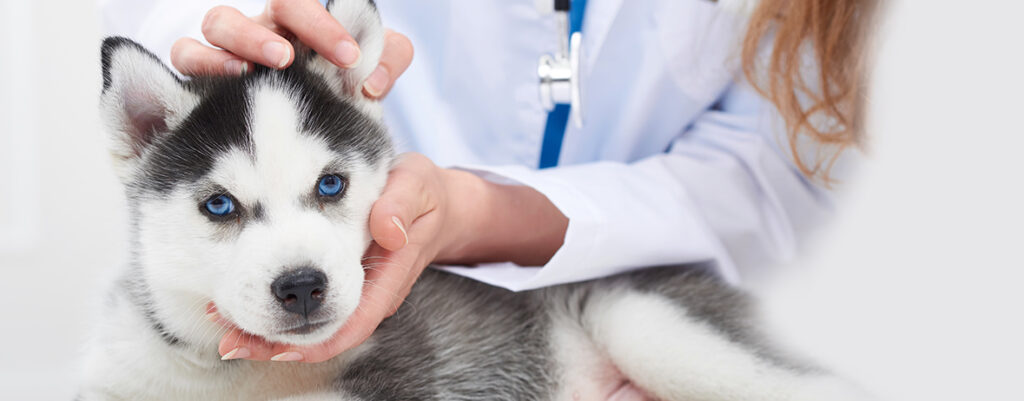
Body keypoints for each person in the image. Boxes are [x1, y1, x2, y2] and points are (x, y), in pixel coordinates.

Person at [99, 0, 875, 363]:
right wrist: (214, 37)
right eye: (225, 206)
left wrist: (480, 210)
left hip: (644, 300)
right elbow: (168, 29)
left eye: (327, 189)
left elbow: (780, 175)